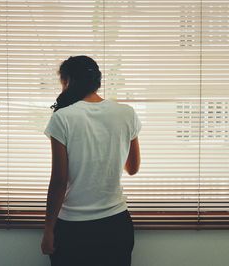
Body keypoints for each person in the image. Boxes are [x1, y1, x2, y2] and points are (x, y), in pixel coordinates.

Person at [41, 55, 142, 266]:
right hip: (116, 225)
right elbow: (132, 168)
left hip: (73, 228)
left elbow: (59, 180)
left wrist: (49, 229)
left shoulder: (63, 117)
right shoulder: (126, 113)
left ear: (68, 81)